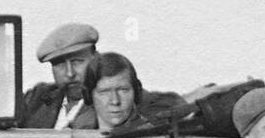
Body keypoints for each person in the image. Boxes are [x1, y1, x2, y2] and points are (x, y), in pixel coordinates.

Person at [17, 22, 188, 128]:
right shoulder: (39, 98)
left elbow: (173, 107)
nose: (69, 73)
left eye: (77, 61)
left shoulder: (111, 96)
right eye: (60, 64)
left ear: (95, 58)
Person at [82, 52, 148, 133]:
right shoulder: (77, 133)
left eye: (123, 90)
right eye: (104, 92)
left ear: (136, 93)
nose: (115, 101)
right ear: (88, 96)